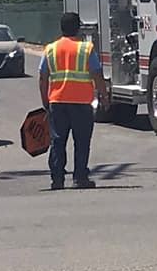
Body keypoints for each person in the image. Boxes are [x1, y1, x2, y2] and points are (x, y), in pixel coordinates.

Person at [38, 12, 110, 190]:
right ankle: (80, 178)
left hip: (57, 102)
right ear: (78, 29)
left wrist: (45, 101)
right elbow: (97, 75)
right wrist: (103, 96)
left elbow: (43, 77)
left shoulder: (50, 49)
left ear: (61, 28)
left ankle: (57, 180)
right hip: (81, 104)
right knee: (82, 142)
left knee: (57, 141)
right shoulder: (86, 49)